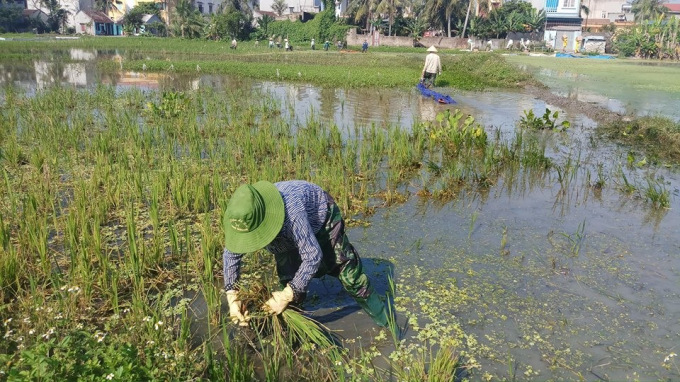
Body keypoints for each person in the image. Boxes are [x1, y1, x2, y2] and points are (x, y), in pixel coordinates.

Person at [222, 180, 390, 328]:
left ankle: (386, 322)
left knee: (349, 276)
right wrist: (232, 297)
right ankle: (295, 328)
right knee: (289, 281)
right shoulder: (239, 217)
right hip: (284, 234)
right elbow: (231, 254)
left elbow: (312, 256)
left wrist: (287, 295)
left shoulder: (292, 211)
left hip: (322, 220)